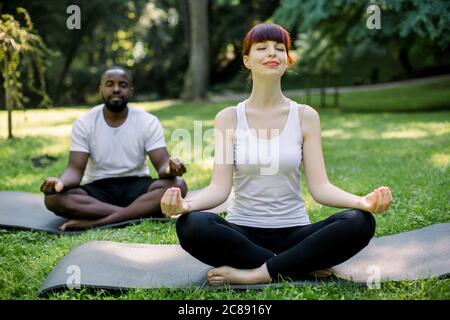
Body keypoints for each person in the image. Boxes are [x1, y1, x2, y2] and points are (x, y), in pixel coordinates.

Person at [160, 23, 393, 286]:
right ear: (247, 61)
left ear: (287, 61)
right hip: (242, 234)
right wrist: (185, 207)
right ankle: (297, 265)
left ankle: (259, 273)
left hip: (296, 232)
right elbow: (219, 189)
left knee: (360, 222)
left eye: (280, 48)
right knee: (191, 225)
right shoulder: (228, 118)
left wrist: (362, 202)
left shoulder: (305, 116)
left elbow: (321, 188)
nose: (272, 53)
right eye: (262, 48)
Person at [41, 66, 187, 231]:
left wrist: (171, 168)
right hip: (98, 189)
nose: (116, 89)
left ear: (130, 90)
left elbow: (162, 166)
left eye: (122, 85)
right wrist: (60, 183)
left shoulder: (148, 121)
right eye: (110, 84)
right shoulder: (84, 122)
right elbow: (74, 170)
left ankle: (97, 223)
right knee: (53, 199)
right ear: (101, 89)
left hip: (137, 186)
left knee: (178, 185)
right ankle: (140, 214)